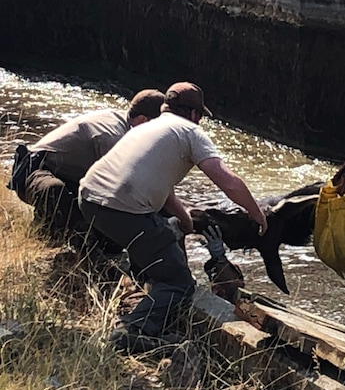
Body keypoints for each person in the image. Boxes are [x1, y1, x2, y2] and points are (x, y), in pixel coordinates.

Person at [78, 80, 268, 351]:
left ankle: (144, 292)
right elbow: (227, 180)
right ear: (194, 114)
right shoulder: (191, 132)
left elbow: (160, 188)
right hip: (122, 210)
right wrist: (256, 213)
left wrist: (185, 220)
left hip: (88, 199)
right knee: (178, 281)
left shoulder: (148, 127)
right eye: (200, 116)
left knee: (160, 240)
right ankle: (134, 329)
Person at [7, 89, 164, 246]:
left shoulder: (121, 120)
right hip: (34, 174)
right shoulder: (111, 136)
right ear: (143, 120)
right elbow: (122, 187)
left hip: (67, 177)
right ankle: (42, 242)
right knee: (56, 192)